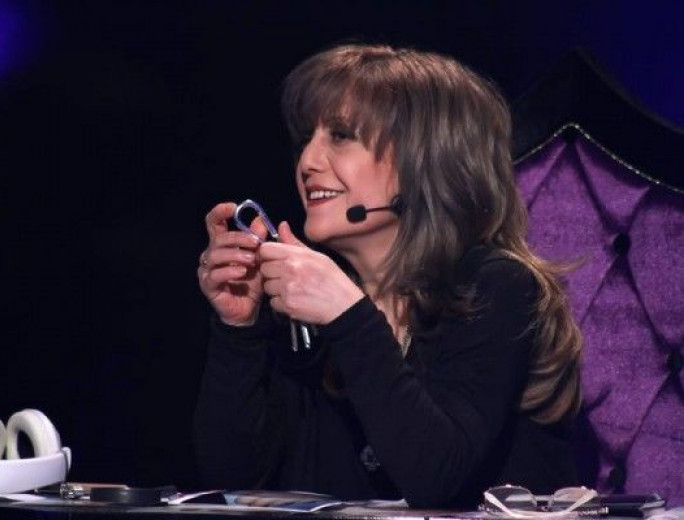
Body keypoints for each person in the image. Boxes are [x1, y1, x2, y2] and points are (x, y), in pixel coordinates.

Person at [193, 43, 583, 508]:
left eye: (340, 135)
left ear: (425, 159)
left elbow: (436, 478)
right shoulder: (309, 304)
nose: (308, 161)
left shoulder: (495, 287)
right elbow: (234, 479)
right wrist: (238, 331)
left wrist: (349, 316)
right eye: (307, 138)